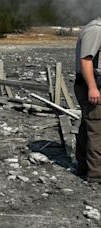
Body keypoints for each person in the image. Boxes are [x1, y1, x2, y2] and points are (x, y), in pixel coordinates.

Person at [74, 17, 101, 183]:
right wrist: (92, 87)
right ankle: (96, 173)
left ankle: (84, 165)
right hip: (92, 85)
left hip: (92, 84)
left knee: (88, 124)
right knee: (97, 129)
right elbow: (85, 60)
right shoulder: (97, 29)